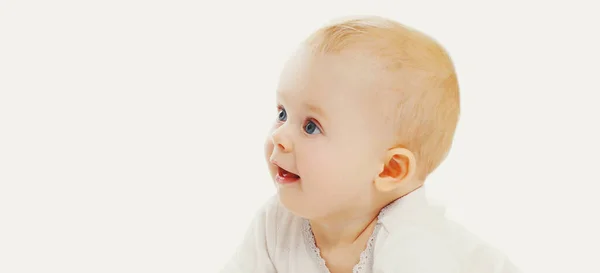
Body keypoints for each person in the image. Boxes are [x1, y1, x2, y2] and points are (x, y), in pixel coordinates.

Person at [221, 15, 520, 273]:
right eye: (282, 113)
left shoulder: (413, 245)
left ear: (389, 169)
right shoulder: (277, 222)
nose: (279, 137)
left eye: (311, 126)